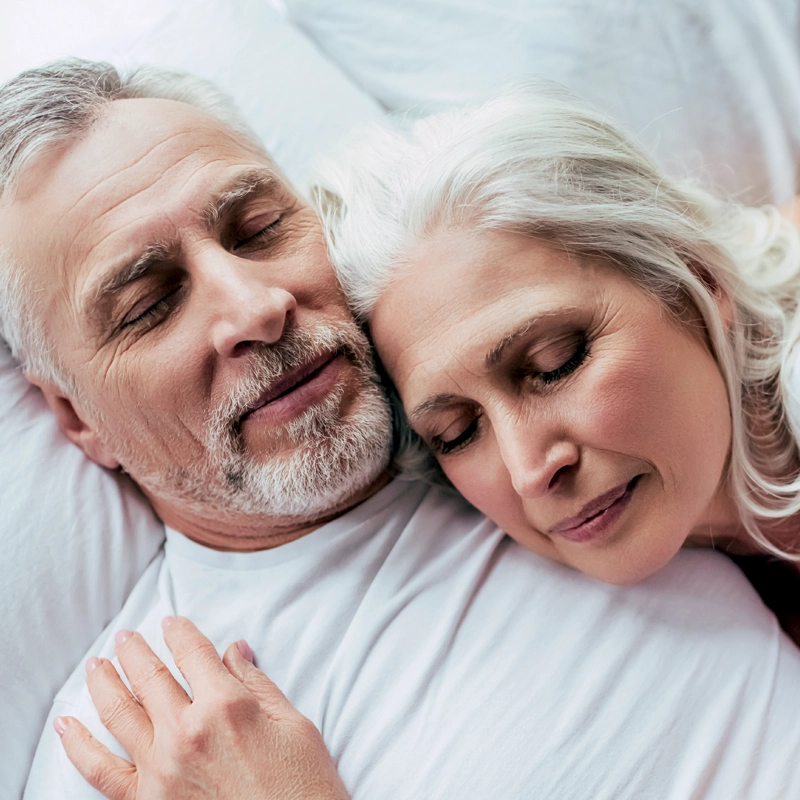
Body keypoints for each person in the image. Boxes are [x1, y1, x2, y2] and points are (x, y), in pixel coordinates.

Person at [9, 61, 800, 800]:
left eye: (258, 229)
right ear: (79, 418)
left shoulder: (468, 302)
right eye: (149, 305)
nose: (256, 306)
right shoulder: (134, 747)